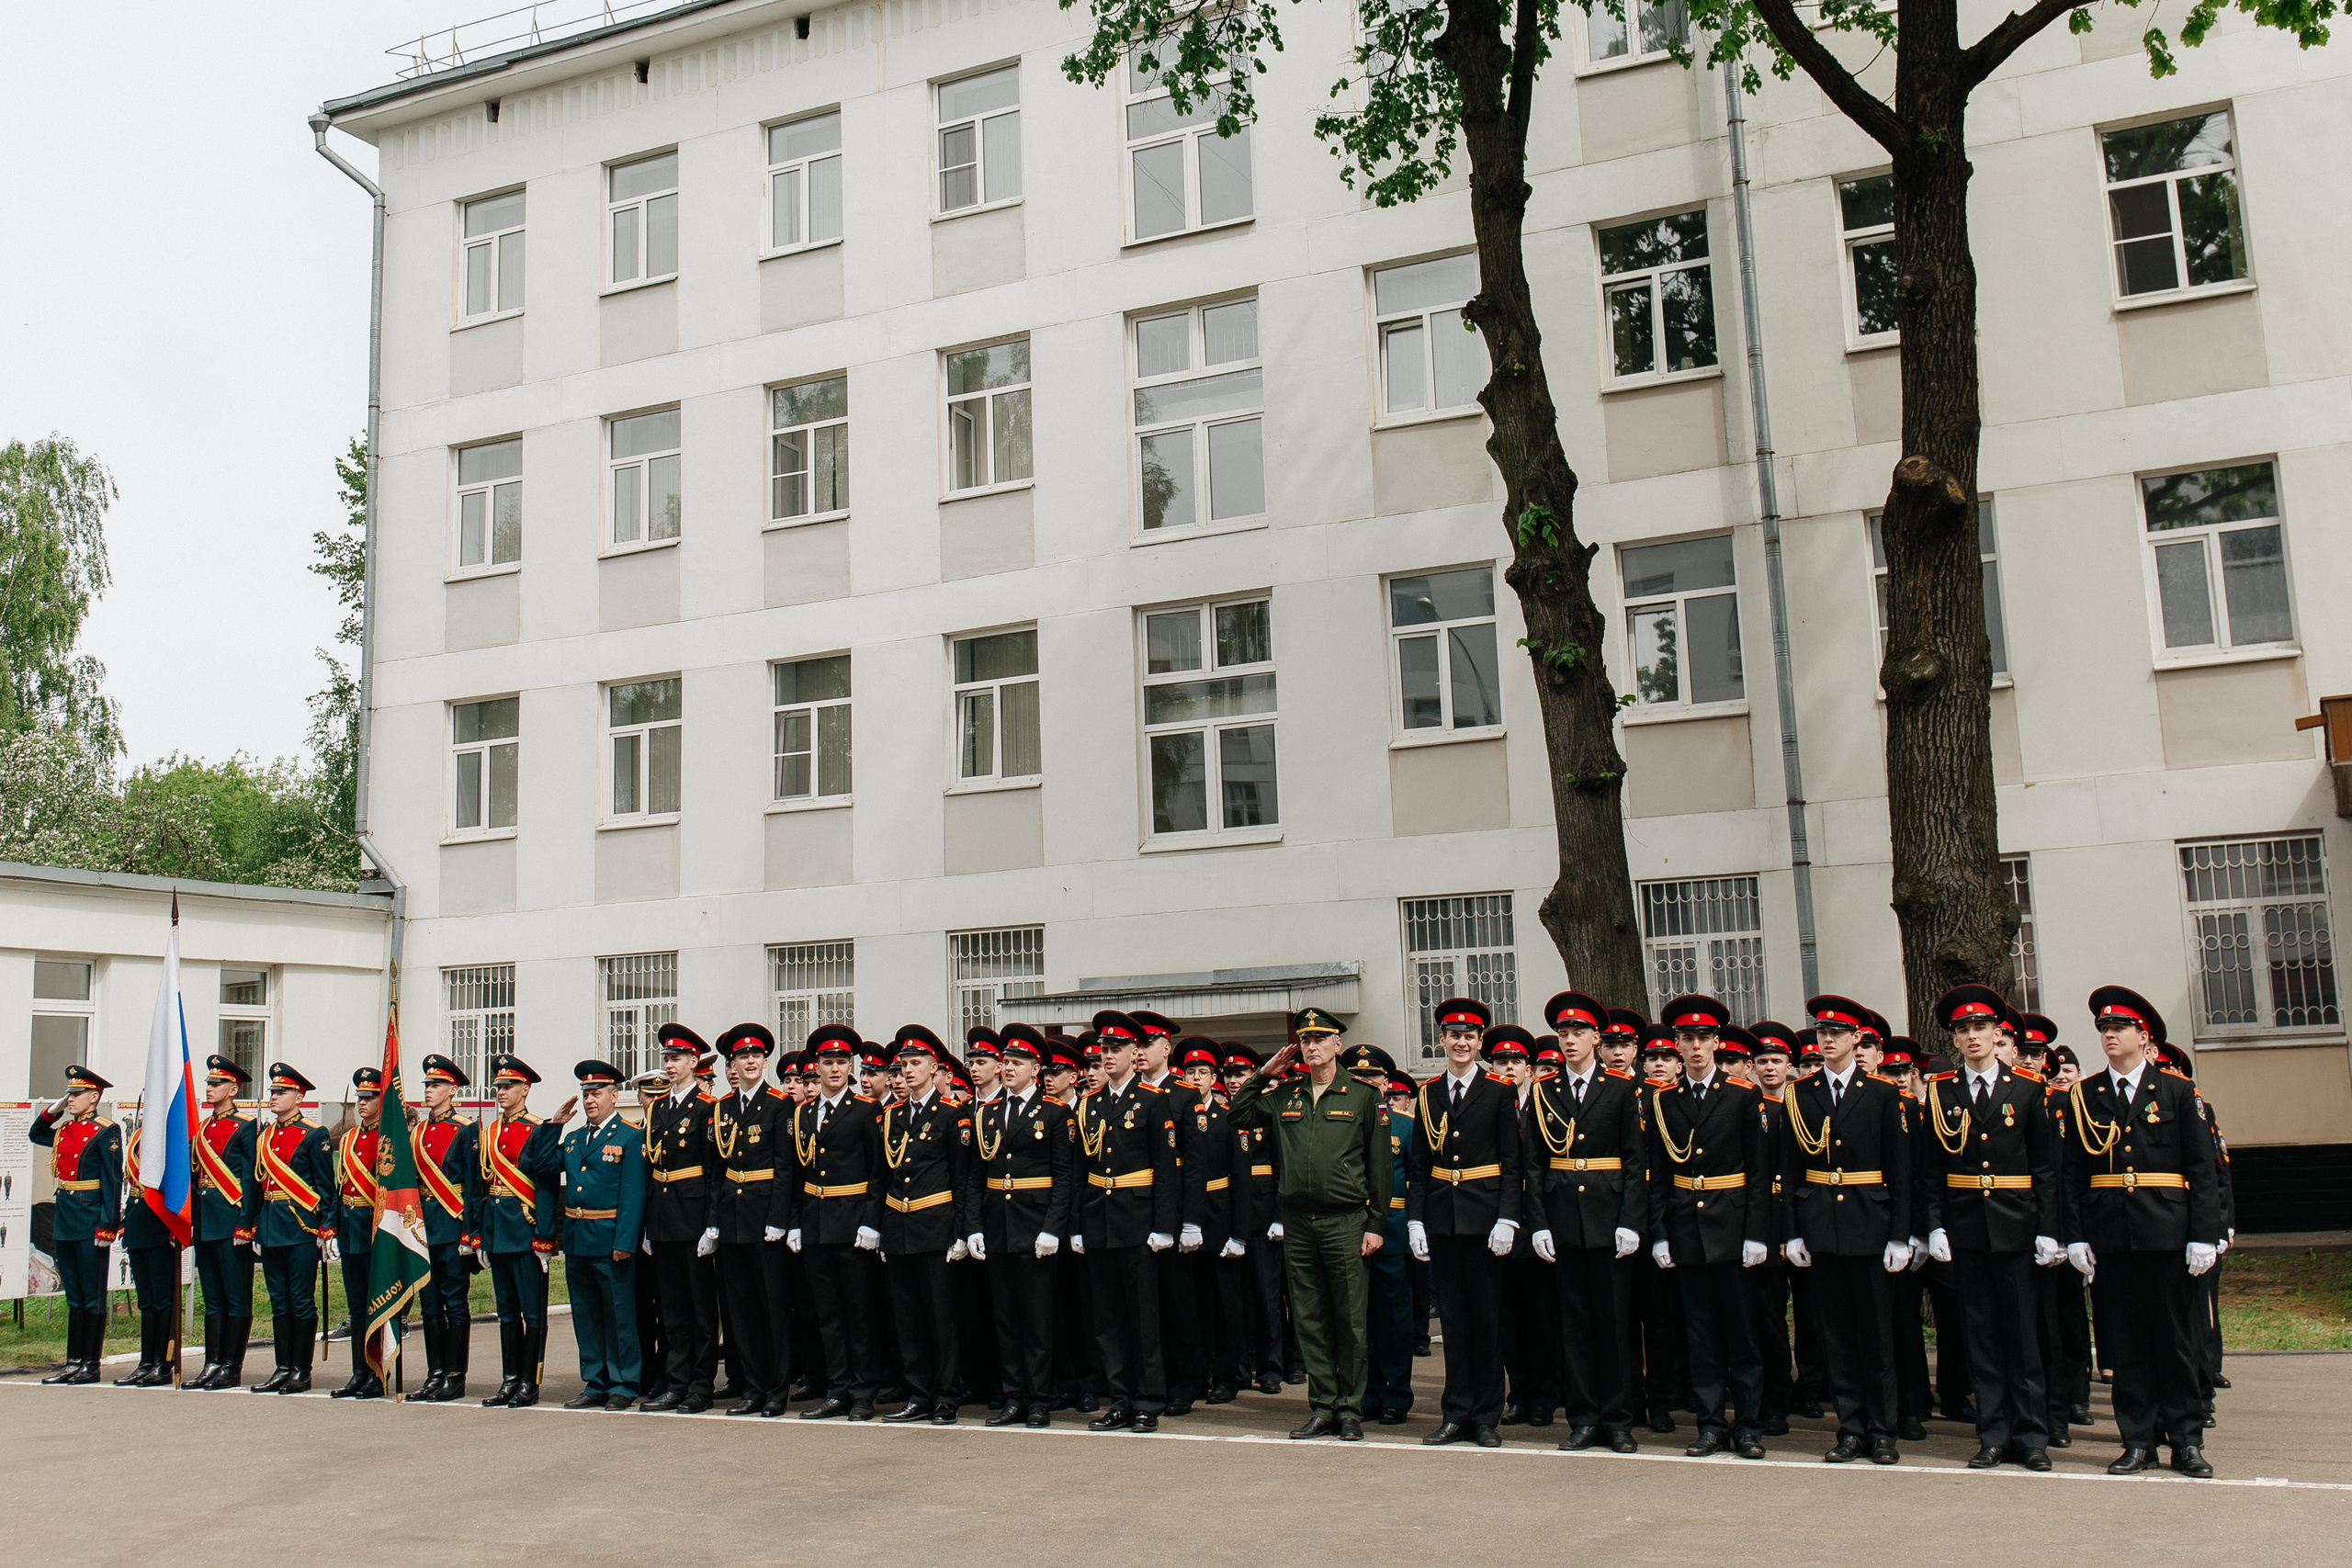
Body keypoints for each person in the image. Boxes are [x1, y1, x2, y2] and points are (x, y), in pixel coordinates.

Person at [2062, 986, 2223, 1478]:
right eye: (2104, 1029)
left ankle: (2186, 1440)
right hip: (2111, 1232)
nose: (2110, 1035)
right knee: (2126, 1343)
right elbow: (2072, 1172)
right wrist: (2075, 1235)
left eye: (2119, 1028)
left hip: (2166, 1231)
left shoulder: (2177, 1091)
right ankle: (2138, 1440)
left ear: (2143, 1036)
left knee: (2176, 1341)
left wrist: (2204, 1234)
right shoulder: (2085, 1095)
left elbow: (2203, 1169)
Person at [1226, 1008, 1392, 1441]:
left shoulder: (1362, 1096)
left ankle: (1350, 1409)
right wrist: (1263, 1074)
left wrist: (1376, 1222)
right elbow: (1237, 1115)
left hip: (1346, 1219)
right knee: (1309, 1317)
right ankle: (1322, 1406)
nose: (1312, 1046)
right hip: (1299, 1221)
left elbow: (1379, 1165)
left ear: (1338, 1044)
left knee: (1350, 1318)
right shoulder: (1287, 1095)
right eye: (1305, 1040)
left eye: (1320, 1039)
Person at [1919, 985, 2058, 1472]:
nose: (1973, 1036)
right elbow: (1931, 1168)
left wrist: (2049, 1228)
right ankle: (1993, 1434)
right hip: (1966, 1227)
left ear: (1998, 1034)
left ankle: (2032, 1437)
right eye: (1964, 1030)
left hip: (2017, 1225)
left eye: (1981, 1027)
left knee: (2022, 1336)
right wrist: (1934, 1225)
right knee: (1981, 1336)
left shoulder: (2029, 1088)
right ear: (1954, 1040)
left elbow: (2045, 1167)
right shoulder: (1941, 1091)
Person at [1781, 995, 1913, 1464]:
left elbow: (1900, 1169)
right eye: (1822, 1033)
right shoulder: (1800, 1093)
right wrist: (1792, 1232)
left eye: (1837, 1033)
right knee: (1835, 1337)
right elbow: (1789, 1169)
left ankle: (1882, 1431)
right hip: (1821, 1223)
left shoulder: (1881, 1092)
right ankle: (1851, 1429)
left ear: (1857, 1038)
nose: (1828, 1040)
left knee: (1876, 1337)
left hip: (1869, 1223)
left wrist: (1900, 1234)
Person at [1645, 996, 1770, 1460]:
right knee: (1700, 1335)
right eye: (1687, 1039)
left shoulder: (1742, 1094)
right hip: (1686, 1228)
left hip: (1733, 1225)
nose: (1695, 1047)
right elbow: (1659, 1174)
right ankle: (1711, 1424)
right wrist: (1659, 1233)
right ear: (1677, 1046)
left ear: (1717, 1042)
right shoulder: (1664, 1099)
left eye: (1703, 1038)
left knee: (1743, 1334)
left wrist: (1757, 1232)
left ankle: (1749, 1426)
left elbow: (1759, 1171)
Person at [1525, 991, 1648, 1453]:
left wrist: (1631, 1220)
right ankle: (1582, 1418)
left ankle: (1618, 1420)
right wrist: (1539, 1223)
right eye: (1563, 1033)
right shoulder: (1544, 1090)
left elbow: (1635, 1161)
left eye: (1578, 1032)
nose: (1570, 1040)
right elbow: (1533, 1163)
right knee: (1574, 1325)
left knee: (1614, 1326)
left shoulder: (1620, 1088)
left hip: (1608, 1217)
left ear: (1597, 1038)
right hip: (1562, 1218)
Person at [1407, 995, 1521, 1448]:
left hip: (1486, 1219)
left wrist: (1507, 1218)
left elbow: (1511, 1162)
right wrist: (1416, 1221)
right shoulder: (1428, 1093)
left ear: (1479, 1042)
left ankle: (1487, 1417)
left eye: (1469, 1036)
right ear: (1441, 1039)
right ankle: (1455, 1414)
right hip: (1443, 1219)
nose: (1461, 1043)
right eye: (1454, 1035)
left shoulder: (1499, 1090)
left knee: (1487, 1323)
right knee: (1454, 1325)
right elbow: (1419, 1164)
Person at [1072, 1010, 1182, 1432]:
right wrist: (1077, 1226)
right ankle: (1119, 1399)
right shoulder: (1090, 1104)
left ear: (1134, 1052)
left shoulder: (1152, 1100)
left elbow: (1167, 1170)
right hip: (1099, 1221)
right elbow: (1081, 1170)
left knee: (1142, 1319)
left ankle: (1148, 1401)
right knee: (1108, 1320)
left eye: (1117, 1048)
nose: (1108, 1055)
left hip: (1137, 1221)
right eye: (1104, 1048)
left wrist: (1164, 1226)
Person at [974, 1023, 1075, 1427]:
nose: (1009, 1068)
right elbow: (976, 1176)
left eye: (1017, 1062)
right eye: (1006, 1062)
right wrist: (975, 1226)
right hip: (998, 1225)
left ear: (1036, 1069)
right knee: (1006, 1320)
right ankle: (1013, 1395)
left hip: (1035, 1227)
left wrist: (1053, 1228)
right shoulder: (987, 1112)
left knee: (1037, 1320)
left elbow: (1065, 1177)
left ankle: (1039, 1398)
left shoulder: (1054, 1112)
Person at [876, 1025, 977, 1426]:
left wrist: (961, 1233)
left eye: (916, 1063)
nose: (908, 1070)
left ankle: (946, 1396)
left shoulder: (952, 1114)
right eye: (903, 1064)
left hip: (936, 1228)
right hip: (899, 1228)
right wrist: (882, 1230)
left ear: (935, 1068)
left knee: (941, 1319)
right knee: (908, 1320)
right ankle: (918, 1395)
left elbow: (962, 1178)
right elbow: (884, 1177)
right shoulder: (892, 1116)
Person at [788, 1024, 886, 1420]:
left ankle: (863, 1393)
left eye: (841, 1062)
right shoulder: (804, 1112)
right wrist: (795, 1222)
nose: (834, 1069)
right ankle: (837, 1388)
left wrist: (871, 1222)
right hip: (816, 1223)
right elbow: (797, 1173)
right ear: (817, 1066)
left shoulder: (866, 1110)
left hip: (853, 1224)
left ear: (850, 1067)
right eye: (827, 1062)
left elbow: (879, 1172)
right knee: (827, 1315)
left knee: (859, 1313)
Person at [549, 1058, 650, 1410]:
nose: (590, 1100)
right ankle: (595, 1382)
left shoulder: (629, 1136)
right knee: (586, 1314)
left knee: (618, 1314)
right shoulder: (574, 1138)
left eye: (597, 1093)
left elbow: (633, 1195)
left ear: (614, 1095)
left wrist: (625, 1241)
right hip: (578, 1237)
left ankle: (624, 1383)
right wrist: (555, 1126)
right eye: (586, 1094)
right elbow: (542, 1164)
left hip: (610, 1240)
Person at [711, 1023, 795, 1416]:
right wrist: (713, 1221)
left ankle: (777, 1390)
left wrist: (778, 1219)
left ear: (764, 1061)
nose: (749, 1062)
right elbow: (718, 1168)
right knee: (741, 1310)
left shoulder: (779, 1105)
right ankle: (753, 1388)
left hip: (765, 1221)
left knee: (772, 1309)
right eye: (742, 1057)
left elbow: (785, 1167)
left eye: (756, 1056)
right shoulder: (723, 1108)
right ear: (732, 1064)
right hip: (732, 1219)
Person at [468, 1055, 560, 1409]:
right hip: (496, 1230)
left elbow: (546, 1189)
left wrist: (544, 1237)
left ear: (526, 1089)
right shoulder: (489, 1132)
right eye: (499, 1086)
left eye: (509, 1086)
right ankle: (510, 1379)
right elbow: (481, 1188)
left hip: (525, 1230)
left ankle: (529, 1382)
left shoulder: (538, 1129)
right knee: (506, 1311)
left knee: (532, 1312)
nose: (501, 1092)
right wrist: (478, 1234)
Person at [640, 1024, 721, 1413]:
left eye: (677, 1059)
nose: (671, 1065)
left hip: (693, 1215)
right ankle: (676, 1382)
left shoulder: (707, 1108)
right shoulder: (658, 1108)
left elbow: (714, 1170)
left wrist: (712, 1224)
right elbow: (652, 1167)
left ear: (694, 1061)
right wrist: (648, 1226)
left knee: (700, 1307)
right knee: (671, 1308)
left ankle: (700, 1386)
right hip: (663, 1215)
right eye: (667, 1059)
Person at [246, 1063, 338, 1395]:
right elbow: (259, 1188)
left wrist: (328, 1227)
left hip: (301, 1228)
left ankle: (301, 1370)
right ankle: (282, 1368)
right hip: (272, 1227)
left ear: (298, 1097)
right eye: (273, 1091)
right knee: (279, 1302)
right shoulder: (265, 1137)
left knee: (300, 1300)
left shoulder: (314, 1134)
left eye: (281, 1092)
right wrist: (256, 1227)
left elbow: (325, 1187)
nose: (274, 1096)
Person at [1486, 1025, 1559, 1428]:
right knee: (1508, 1320)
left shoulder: (1544, 1106)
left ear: (1529, 1070)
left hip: (1536, 1224)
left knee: (1541, 1317)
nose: (1509, 1068)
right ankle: (1519, 1396)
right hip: (1498, 1224)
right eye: (1501, 1061)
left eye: (1516, 1062)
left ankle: (1545, 1396)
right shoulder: (1488, 1105)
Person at [30, 1066, 122, 1384]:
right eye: (68, 1094)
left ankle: (90, 1364)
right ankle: (73, 1361)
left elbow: (113, 1181)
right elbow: (36, 1134)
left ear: (94, 1097)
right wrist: (52, 1111)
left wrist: (108, 1225)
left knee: (91, 1295)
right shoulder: (66, 1129)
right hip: (67, 1218)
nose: (70, 1099)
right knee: (74, 1296)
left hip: (90, 1219)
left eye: (76, 1094)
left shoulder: (106, 1131)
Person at [1340, 1042, 1412, 1425]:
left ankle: (1396, 1395)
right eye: (1358, 1077)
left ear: (1386, 1083)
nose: (1367, 1083)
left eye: (1373, 1077)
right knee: (1357, 1320)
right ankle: (1365, 1393)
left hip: (1392, 1231)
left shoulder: (1404, 1125)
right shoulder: (1339, 1120)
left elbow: (1415, 1180)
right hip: (1350, 1229)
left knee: (1394, 1319)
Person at [187, 1056, 261, 1389]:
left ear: (233, 1089)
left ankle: (231, 1366)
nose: (209, 1088)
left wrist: (246, 1223)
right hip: (206, 1222)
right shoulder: (202, 1128)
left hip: (231, 1221)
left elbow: (249, 1180)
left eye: (216, 1084)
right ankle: (211, 1363)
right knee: (213, 1298)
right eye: (208, 1083)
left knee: (235, 1297)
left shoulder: (245, 1126)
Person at [406, 1054, 477, 1403]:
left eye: (436, 1085)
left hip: (452, 1226)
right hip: (424, 1229)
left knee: (455, 1303)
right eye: (427, 1085)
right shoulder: (417, 1132)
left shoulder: (465, 1129)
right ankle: (435, 1373)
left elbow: (473, 1186)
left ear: (452, 1090)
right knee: (430, 1305)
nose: (429, 1090)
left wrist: (469, 1233)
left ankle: (454, 1375)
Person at [1631, 1028, 1690, 1431]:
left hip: (1667, 1217)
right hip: (1630, 1215)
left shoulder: (1677, 1101)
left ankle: (1664, 1397)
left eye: (1666, 1058)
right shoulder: (1629, 1096)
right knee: (1628, 1318)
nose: (1658, 1065)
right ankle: (1634, 1398)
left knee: (1663, 1317)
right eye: (1652, 1059)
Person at [1223, 1044, 1287, 1393]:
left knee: (1267, 1295)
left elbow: (1282, 1165)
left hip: (1263, 1214)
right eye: (1229, 1075)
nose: (1234, 1081)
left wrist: (1279, 1215)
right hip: (1231, 1215)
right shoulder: (1221, 1113)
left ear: (1253, 1077)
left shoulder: (1267, 1110)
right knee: (1237, 1298)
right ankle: (1239, 1367)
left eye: (1241, 1075)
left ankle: (1270, 1368)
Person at [328, 1067, 390, 1399]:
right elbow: (340, 1187)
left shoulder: (389, 1138)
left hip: (374, 1228)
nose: (362, 1103)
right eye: (360, 1097)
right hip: (351, 1227)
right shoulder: (350, 1138)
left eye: (369, 1097)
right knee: (356, 1308)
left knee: (376, 1304)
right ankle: (359, 1372)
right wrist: (332, 1227)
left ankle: (378, 1371)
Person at [116, 1105, 180, 1386]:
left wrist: (175, 1225)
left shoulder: (172, 1139)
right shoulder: (138, 1137)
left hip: (160, 1225)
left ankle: (163, 1364)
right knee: (146, 1300)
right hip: (138, 1223)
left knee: (162, 1299)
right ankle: (146, 1362)